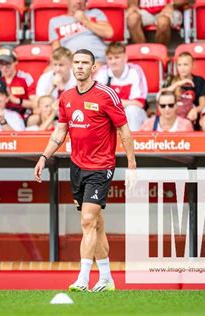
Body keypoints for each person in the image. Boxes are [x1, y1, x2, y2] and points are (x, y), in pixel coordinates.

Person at [34, 49, 136, 292]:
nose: (79, 66)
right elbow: (60, 131)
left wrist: (132, 166)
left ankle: (82, 278)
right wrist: (43, 156)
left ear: (93, 68)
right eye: (76, 62)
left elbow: (124, 131)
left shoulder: (106, 95)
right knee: (96, 224)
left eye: (84, 63)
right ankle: (107, 278)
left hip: (101, 167)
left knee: (87, 220)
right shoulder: (67, 97)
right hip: (77, 166)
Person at [95, 42, 148, 131]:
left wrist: (117, 103)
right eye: (110, 58)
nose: (113, 62)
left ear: (125, 58)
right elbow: (96, 100)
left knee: (132, 110)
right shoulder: (102, 72)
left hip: (132, 114)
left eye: (117, 57)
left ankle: (132, 141)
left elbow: (140, 103)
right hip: (110, 112)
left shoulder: (135, 71)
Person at [48, 0, 113, 65]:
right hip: (73, 64)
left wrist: (85, 20)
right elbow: (56, 52)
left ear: (85, 2)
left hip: (98, 60)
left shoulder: (95, 13)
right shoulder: (55, 22)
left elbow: (109, 33)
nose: (78, 1)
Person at [161, 52, 205, 123]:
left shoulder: (199, 81)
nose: (182, 68)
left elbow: (203, 104)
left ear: (193, 65)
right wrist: (177, 84)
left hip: (191, 116)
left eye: (185, 64)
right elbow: (160, 96)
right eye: (179, 65)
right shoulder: (170, 79)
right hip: (173, 115)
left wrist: (195, 110)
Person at [0, 46, 36, 118]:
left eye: (7, 64)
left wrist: (14, 100)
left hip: (22, 114)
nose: (4, 68)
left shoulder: (25, 78)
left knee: (35, 118)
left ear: (15, 62)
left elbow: (35, 104)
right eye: (1, 64)